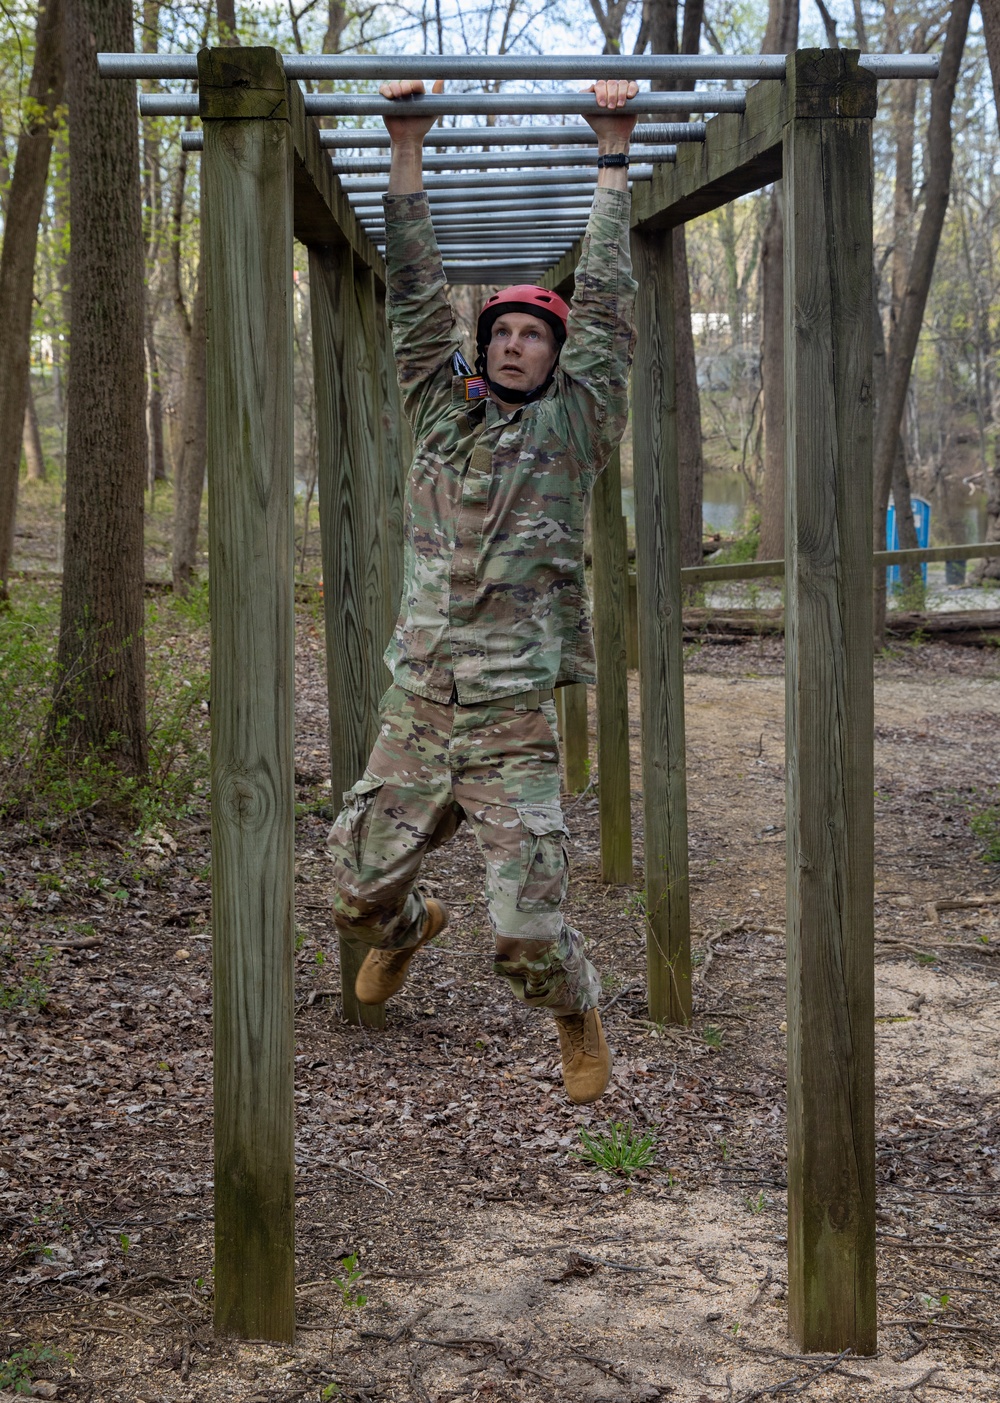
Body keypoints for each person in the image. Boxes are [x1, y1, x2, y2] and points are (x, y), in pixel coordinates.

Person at [327, 75, 639, 1105]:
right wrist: (405, 146)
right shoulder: (435, 412)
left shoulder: (573, 429)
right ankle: (412, 924)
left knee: (529, 929)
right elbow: (412, 287)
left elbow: (606, 302)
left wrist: (612, 154)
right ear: (481, 343)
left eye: (533, 335)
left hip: (510, 718)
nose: (516, 341)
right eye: (502, 329)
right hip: (418, 704)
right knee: (352, 892)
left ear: (554, 358)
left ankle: (575, 1009)